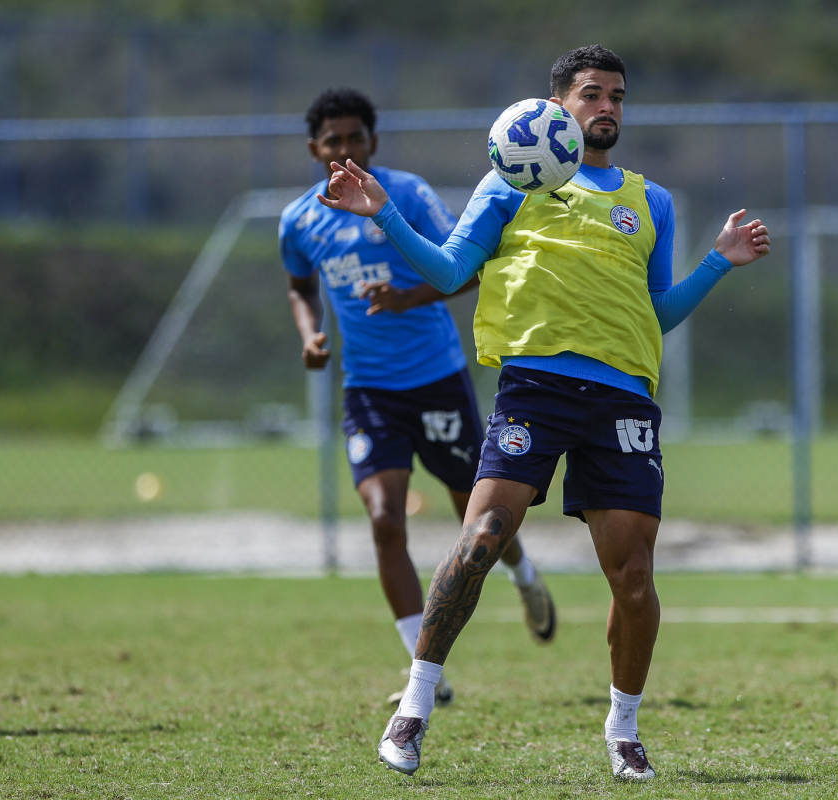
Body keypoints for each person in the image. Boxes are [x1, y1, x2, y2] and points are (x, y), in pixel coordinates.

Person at [316, 47, 771, 782]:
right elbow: (450, 272)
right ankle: (415, 703)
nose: (609, 107)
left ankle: (623, 729)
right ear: (556, 106)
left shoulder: (650, 201)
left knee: (632, 575)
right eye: (593, 94)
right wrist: (384, 214)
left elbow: (657, 314)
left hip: (623, 397)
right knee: (482, 538)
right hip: (535, 389)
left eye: (618, 95)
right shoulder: (509, 181)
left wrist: (717, 262)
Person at [280, 87, 557, 708]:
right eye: (333, 141)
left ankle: (524, 574)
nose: (344, 149)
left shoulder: (406, 195)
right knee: (384, 519)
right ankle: (421, 669)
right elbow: (300, 286)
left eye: (355, 137)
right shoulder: (299, 219)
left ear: (372, 142)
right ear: (314, 148)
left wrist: (409, 297)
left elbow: (468, 269)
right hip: (369, 391)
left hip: (435, 379)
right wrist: (311, 333)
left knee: (480, 519)